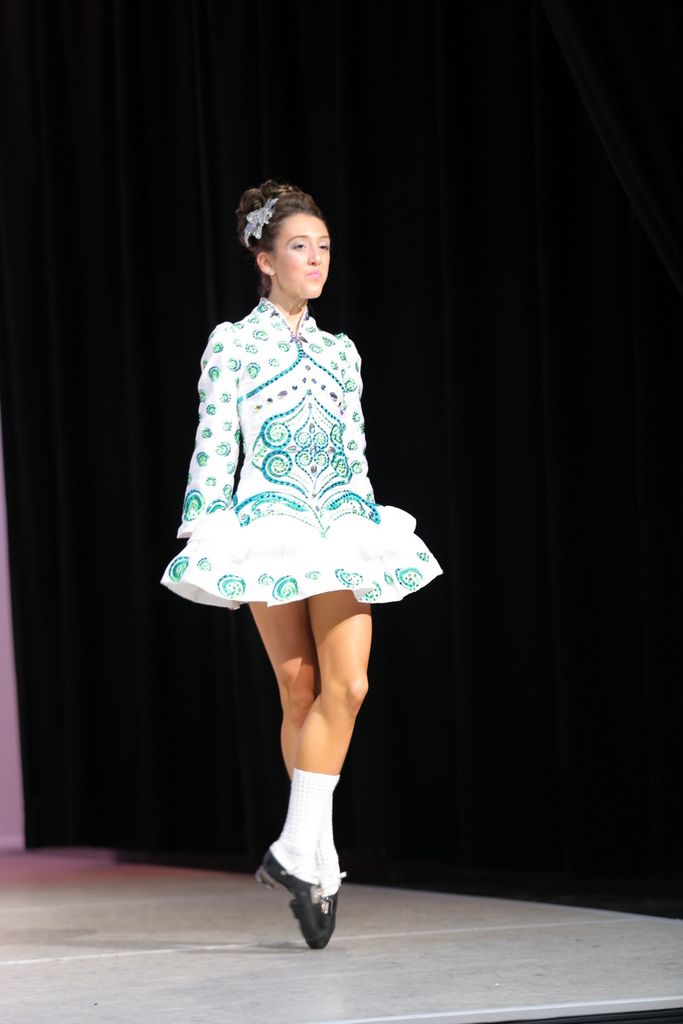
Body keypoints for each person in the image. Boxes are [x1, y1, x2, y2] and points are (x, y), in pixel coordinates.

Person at [161, 179, 442, 948]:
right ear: (264, 259)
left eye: (323, 248)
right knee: (297, 687)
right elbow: (214, 441)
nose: (315, 260)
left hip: (342, 521)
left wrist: (367, 521)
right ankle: (316, 860)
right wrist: (204, 526)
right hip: (270, 524)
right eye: (298, 247)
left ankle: (293, 848)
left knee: (348, 684)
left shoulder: (340, 350)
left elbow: (354, 445)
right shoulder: (232, 342)